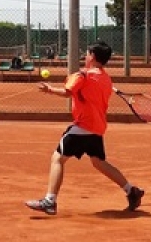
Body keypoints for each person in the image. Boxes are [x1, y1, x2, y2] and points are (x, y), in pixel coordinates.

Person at [25, 40, 144, 215]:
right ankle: (130, 190)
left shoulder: (83, 75)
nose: (85, 56)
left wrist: (49, 89)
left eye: (87, 53)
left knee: (57, 159)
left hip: (83, 126)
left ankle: (50, 201)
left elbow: (67, 92)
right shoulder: (105, 78)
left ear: (93, 56)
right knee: (98, 162)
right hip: (97, 127)